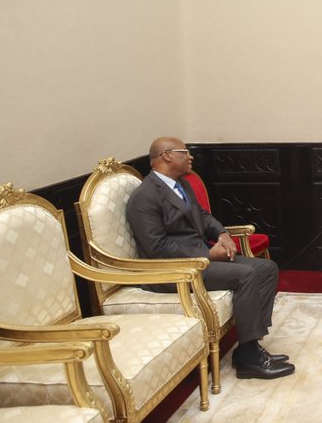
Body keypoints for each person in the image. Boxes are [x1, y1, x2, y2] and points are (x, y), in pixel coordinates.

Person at [126, 137, 295, 380]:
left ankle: (248, 347)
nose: (190, 156)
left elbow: (203, 216)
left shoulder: (181, 184)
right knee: (245, 274)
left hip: (200, 259)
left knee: (266, 268)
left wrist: (222, 234)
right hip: (174, 270)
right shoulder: (145, 196)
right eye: (184, 152)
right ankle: (249, 361)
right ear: (167, 155)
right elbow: (157, 248)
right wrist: (206, 254)